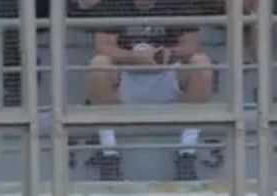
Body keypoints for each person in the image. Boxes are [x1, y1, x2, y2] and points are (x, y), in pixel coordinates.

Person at [82, 0, 214, 181]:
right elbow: (103, 46)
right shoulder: (113, 4)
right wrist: (134, 57)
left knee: (201, 62)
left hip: (167, 73)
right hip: (127, 75)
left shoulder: (180, 3)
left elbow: (191, 45)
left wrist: (169, 53)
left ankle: (186, 152)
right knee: (99, 64)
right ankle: (109, 153)